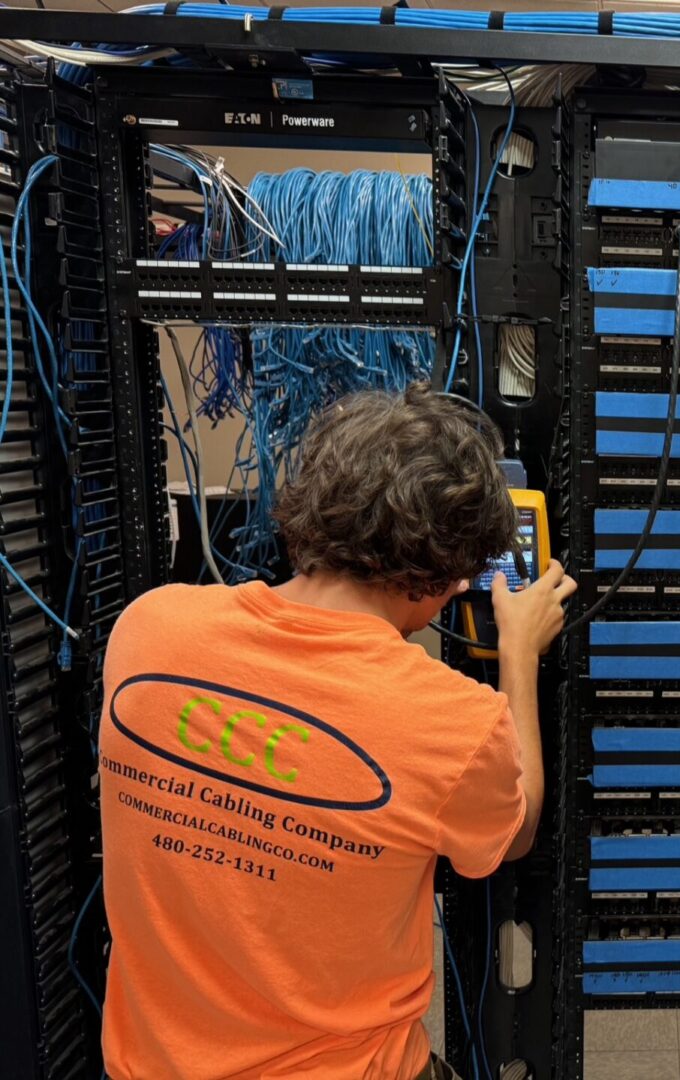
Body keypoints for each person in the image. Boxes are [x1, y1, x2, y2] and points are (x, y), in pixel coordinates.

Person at [96, 385, 575, 1080]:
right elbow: (517, 828)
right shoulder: (445, 720)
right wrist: (518, 661)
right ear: (440, 572)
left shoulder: (147, 629)